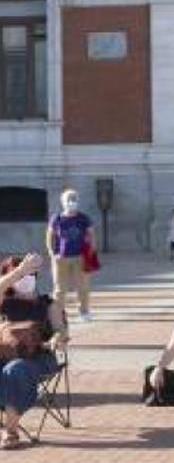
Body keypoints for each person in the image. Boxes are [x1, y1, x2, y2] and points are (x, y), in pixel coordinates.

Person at [0, 254, 69, 451]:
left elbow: (60, 331)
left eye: (30, 274)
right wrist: (19, 271)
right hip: (6, 354)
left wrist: (58, 338)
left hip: (40, 358)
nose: (25, 278)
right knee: (10, 367)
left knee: (16, 369)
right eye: (21, 276)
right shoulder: (5, 302)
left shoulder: (48, 303)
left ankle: (10, 430)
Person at [47, 188, 94, 324]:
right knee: (59, 289)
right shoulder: (57, 218)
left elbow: (91, 234)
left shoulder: (83, 218)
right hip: (61, 258)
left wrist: (90, 252)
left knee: (83, 286)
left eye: (74, 199)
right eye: (69, 199)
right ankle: (59, 314)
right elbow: (50, 236)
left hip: (80, 257)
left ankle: (84, 311)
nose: (71, 202)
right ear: (63, 202)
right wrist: (51, 253)